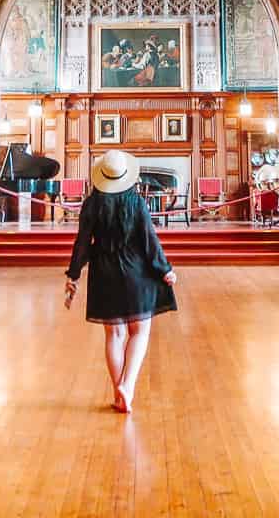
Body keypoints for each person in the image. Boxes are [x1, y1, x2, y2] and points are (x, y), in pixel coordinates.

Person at [64, 150, 177, 413]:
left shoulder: (91, 204)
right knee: (140, 331)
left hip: (104, 272)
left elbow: (82, 243)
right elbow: (149, 241)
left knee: (114, 334)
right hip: (136, 271)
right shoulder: (136, 202)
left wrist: (74, 274)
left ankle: (118, 392)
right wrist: (164, 269)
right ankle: (129, 385)